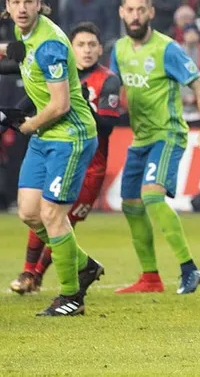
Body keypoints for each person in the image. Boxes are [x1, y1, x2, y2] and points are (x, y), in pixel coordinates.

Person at [0, 0, 104, 316]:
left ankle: (71, 297)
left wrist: (28, 125)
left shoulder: (51, 45)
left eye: (29, 2)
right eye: (16, 2)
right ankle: (85, 265)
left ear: (40, 5)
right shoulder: (24, 33)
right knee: (29, 213)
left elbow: (60, 105)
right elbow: (17, 52)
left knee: (51, 214)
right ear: (7, 7)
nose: (22, 8)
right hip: (46, 136)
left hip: (70, 135)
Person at [110, 0, 200, 295]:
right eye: (130, 10)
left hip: (167, 134)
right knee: (130, 206)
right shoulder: (118, 49)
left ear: (151, 13)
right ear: (122, 13)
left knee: (152, 197)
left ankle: (189, 268)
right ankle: (150, 278)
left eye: (141, 10)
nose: (135, 16)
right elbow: (114, 90)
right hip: (139, 138)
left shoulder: (167, 48)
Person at [9, 22, 122, 295]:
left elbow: (108, 126)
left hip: (91, 165)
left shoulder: (108, 80)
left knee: (56, 217)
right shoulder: (57, 72)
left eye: (92, 45)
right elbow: (31, 99)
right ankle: (32, 272)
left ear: (100, 49)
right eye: (81, 45)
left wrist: (82, 104)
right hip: (58, 151)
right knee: (40, 212)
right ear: (71, 48)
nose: (87, 50)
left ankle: (47, 279)